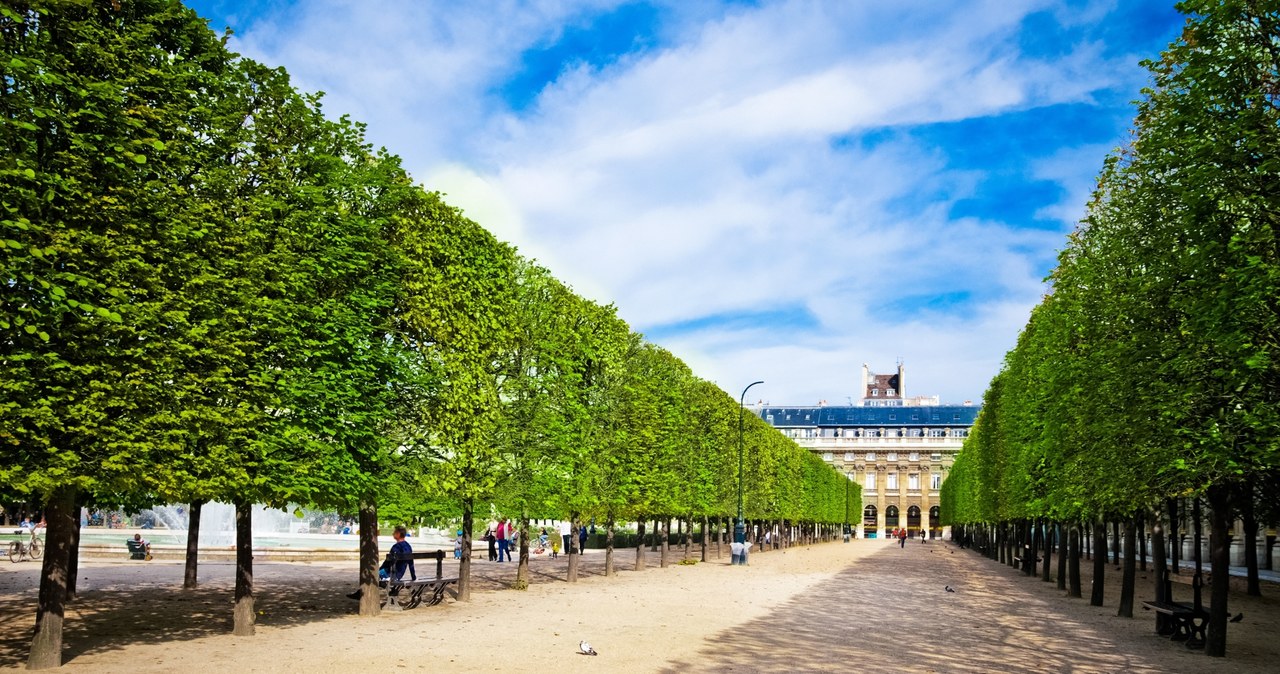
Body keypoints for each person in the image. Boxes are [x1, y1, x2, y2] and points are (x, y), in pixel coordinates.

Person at [348, 526, 415, 600]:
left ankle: (360, 594)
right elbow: (411, 563)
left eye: (394, 532)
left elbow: (388, 562)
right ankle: (361, 593)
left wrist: (379, 569)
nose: (392, 534)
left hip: (391, 574)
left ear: (398, 534)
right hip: (399, 574)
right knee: (375, 574)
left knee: (370, 574)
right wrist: (413, 577)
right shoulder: (408, 547)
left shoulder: (396, 547)